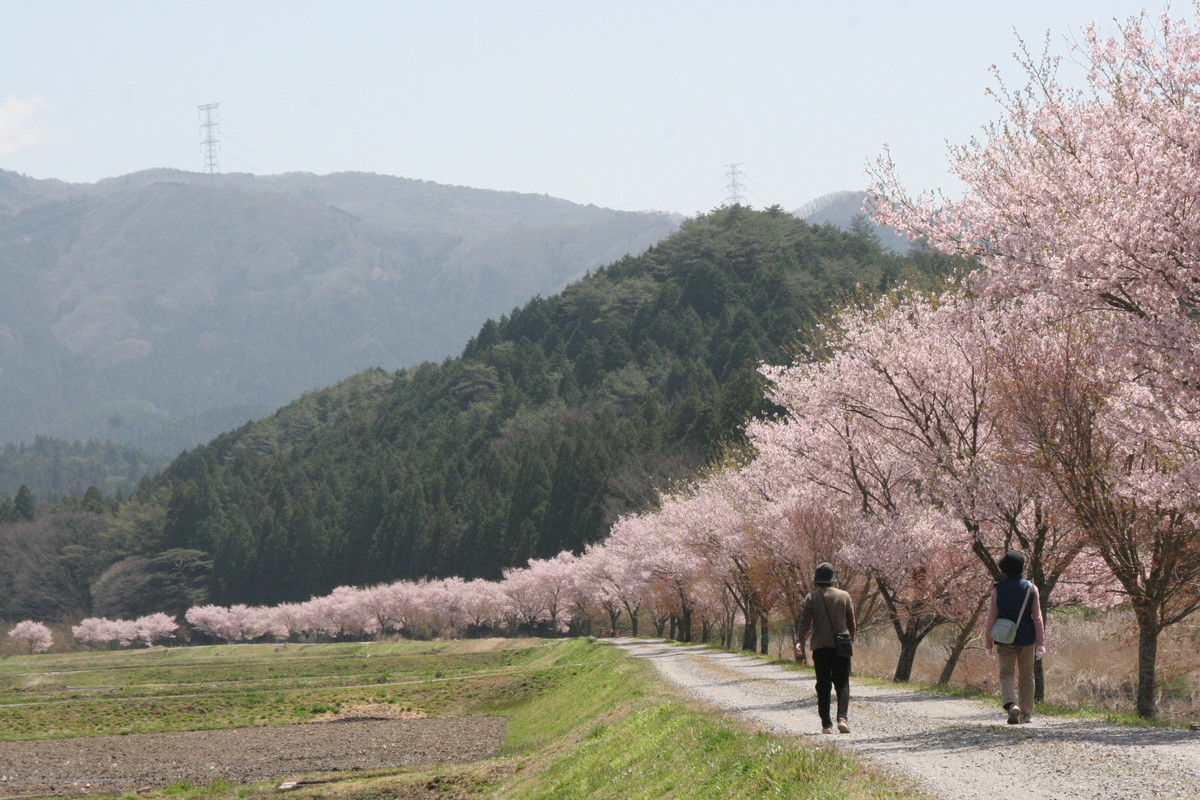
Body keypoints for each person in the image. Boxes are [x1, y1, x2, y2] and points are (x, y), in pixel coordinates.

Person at [983, 549, 1046, 724]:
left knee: (1006, 674)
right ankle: (1026, 714)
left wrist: (988, 643)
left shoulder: (998, 589)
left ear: (1003, 569)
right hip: (1027, 638)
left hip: (1004, 638)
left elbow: (991, 618)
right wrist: (1041, 643)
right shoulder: (1031, 588)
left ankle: (1011, 705)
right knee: (1027, 676)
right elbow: (1038, 618)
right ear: (1022, 568)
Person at [794, 562, 856, 734]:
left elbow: (805, 622)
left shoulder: (811, 597)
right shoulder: (844, 595)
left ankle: (826, 724)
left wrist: (800, 640)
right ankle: (842, 718)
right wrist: (852, 638)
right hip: (841, 645)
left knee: (823, 684)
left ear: (817, 580)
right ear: (832, 579)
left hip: (820, 646)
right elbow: (851, 622)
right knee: (842, 683)